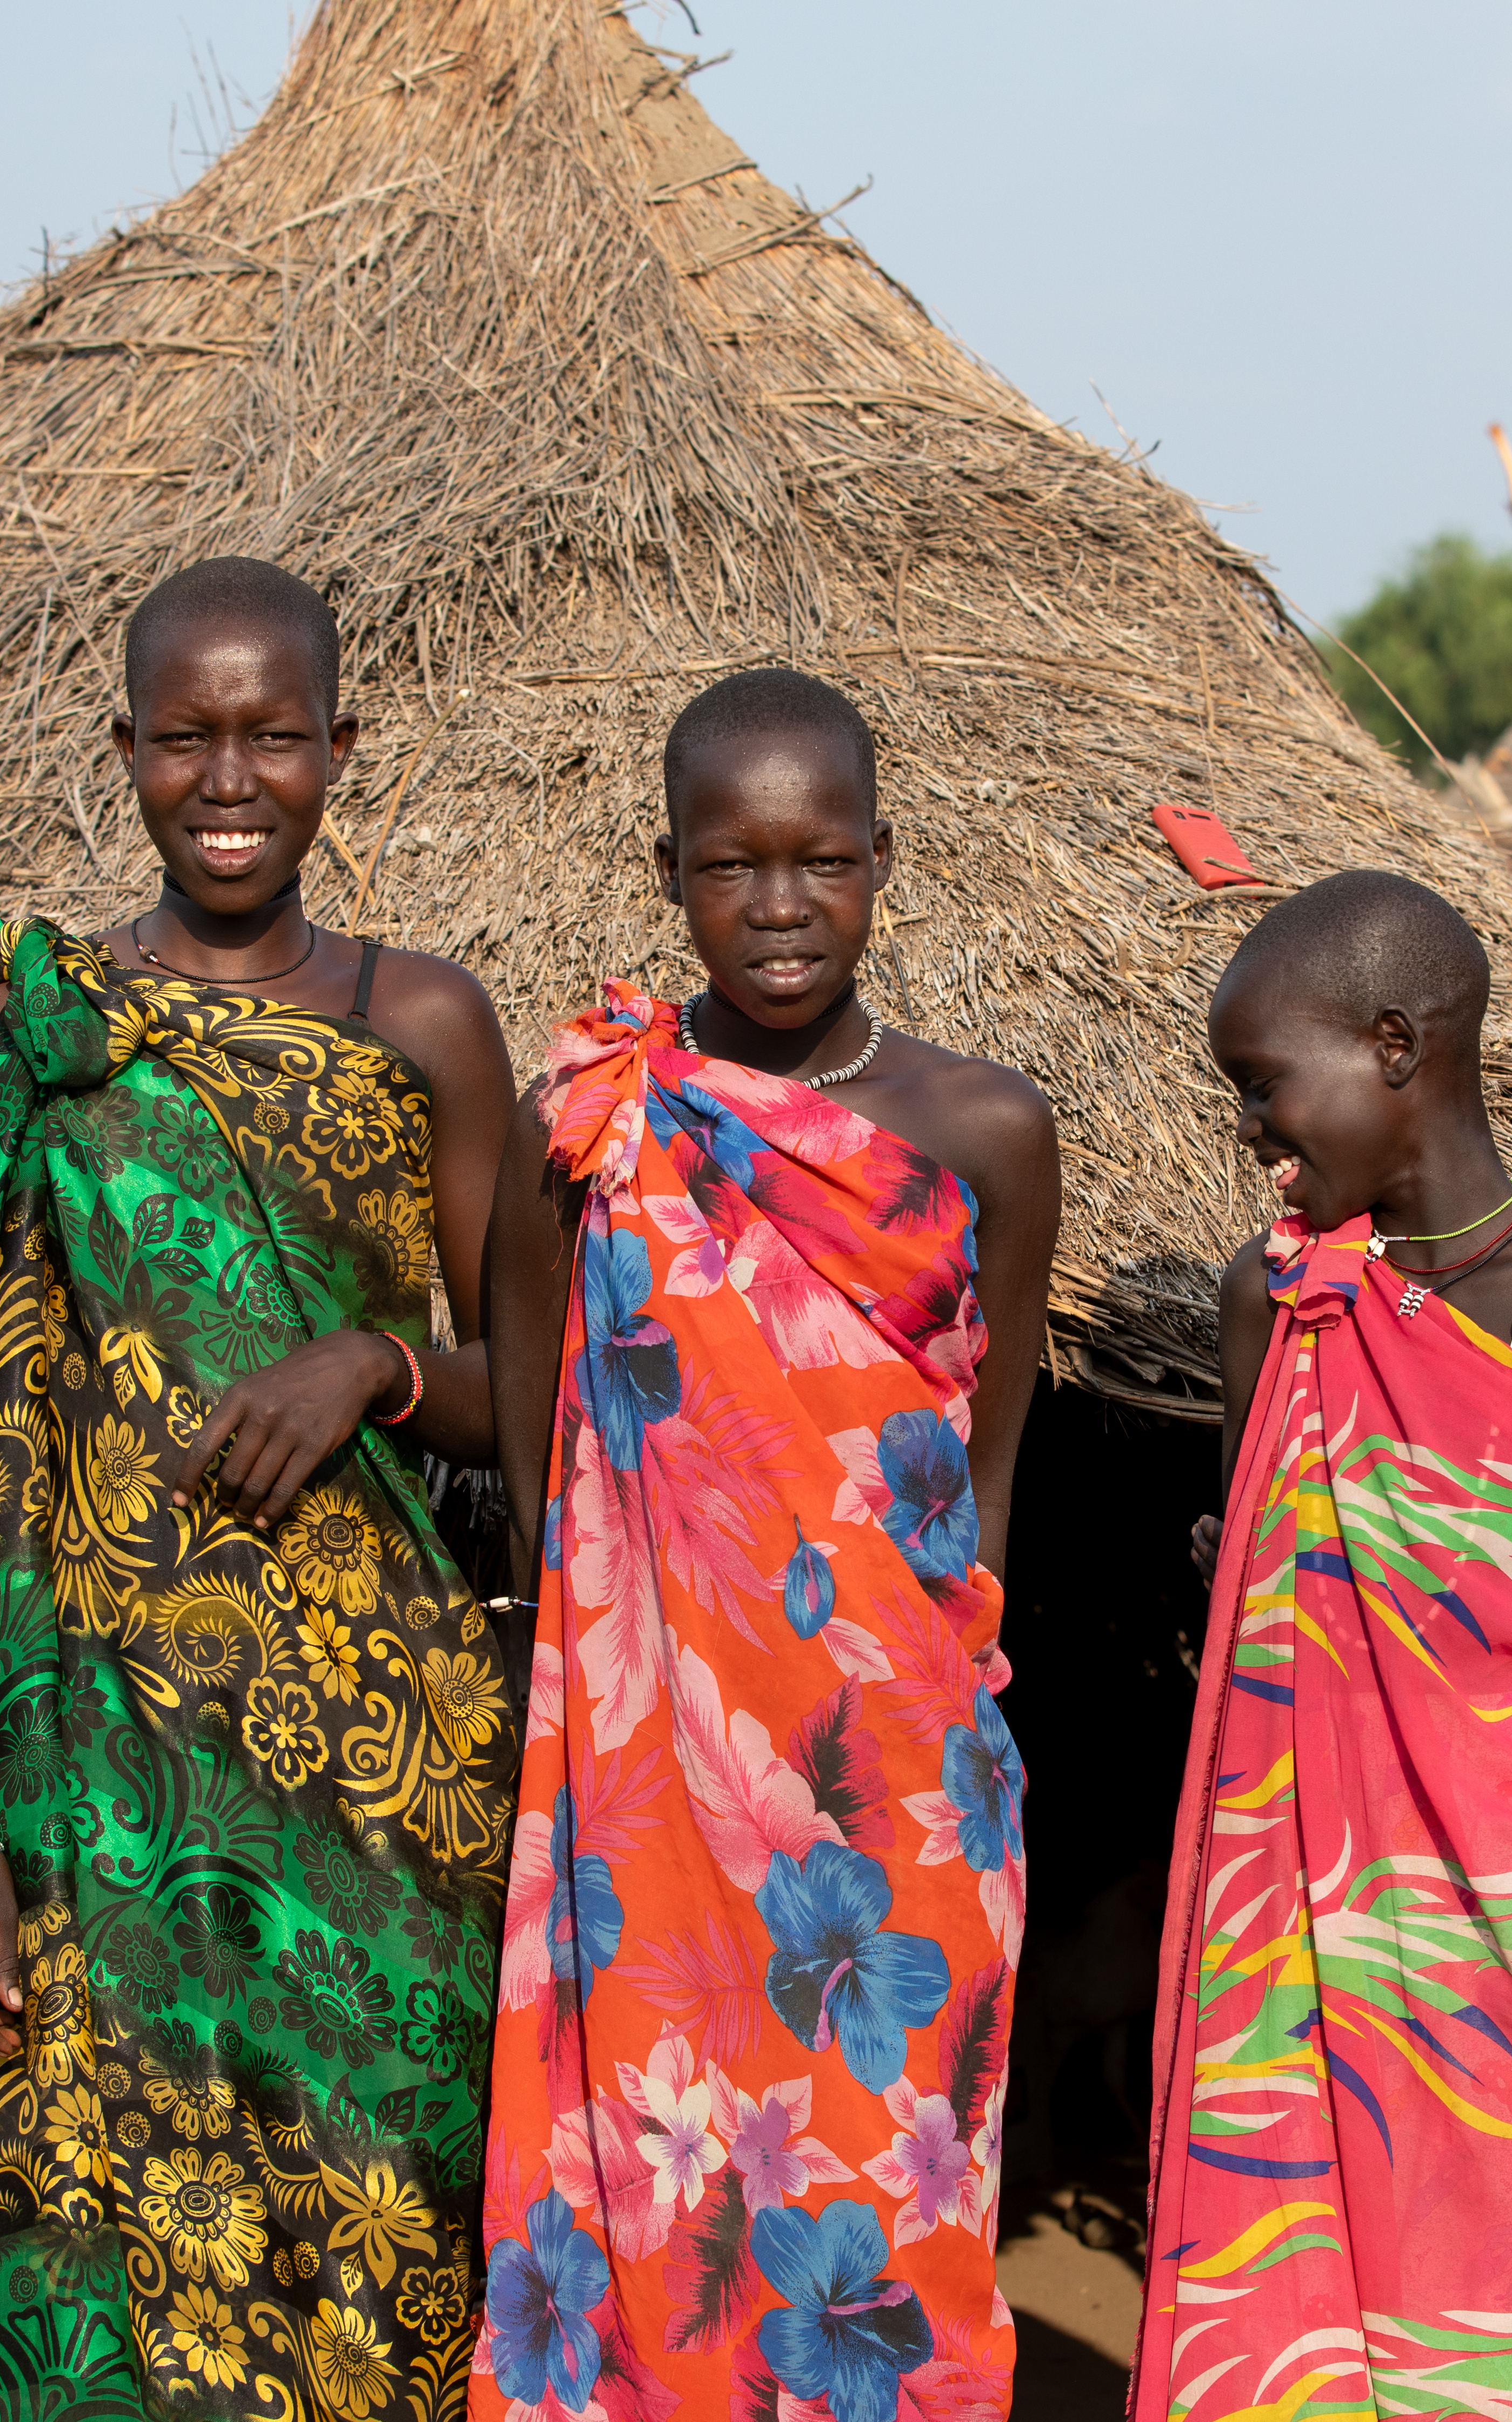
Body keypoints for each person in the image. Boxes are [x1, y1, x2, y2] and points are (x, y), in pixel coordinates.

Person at [0, 557, 522, 2420]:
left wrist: (376, 1364)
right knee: (91, 2282)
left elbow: (546, 1403)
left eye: (275, 736)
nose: (233, 780)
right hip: (86, 1785)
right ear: (123, 749)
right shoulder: (27, 1038)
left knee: (371, 2274)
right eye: (188, 739)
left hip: (377, 1787)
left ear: (340, 750)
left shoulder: (426, 1024)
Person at [467, 670, 1060, 2422]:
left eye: (821, 863)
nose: (781, 908)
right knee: (655, 2189)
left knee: (891, 2213)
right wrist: (547, 1621)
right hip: (648, 1771)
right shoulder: (597, 1114)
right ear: (670, 871)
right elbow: (522, 1370)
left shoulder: (987, 1128)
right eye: (734, 867)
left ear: (884, 861)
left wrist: (968, 1717)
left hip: (903, 1777)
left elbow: (985, 1453)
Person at [1128, 869, 1512, 2422]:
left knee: (1463, 2346)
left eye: (1268, 1091)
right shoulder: (1275, 1301)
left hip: (1492, 1934)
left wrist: (1477, 1666)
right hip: (1279, 1917)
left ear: (1397, 1045)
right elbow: (1271, 1603)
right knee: (1273, 2324)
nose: (1256, 1133)